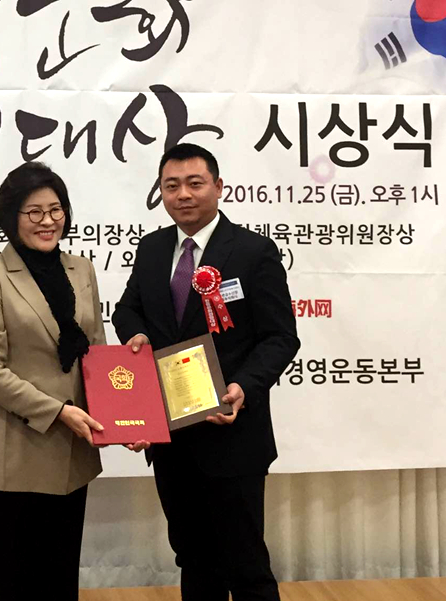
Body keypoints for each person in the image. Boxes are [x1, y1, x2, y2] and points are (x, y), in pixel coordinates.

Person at [112, 143, 300, 601]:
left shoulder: (254, 251)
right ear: (161, 192)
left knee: (246, 564)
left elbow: (280, 337)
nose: (183, 194)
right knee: (193, 558)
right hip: (171, 439)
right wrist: (137, 336)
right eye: (171, 185)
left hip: (232, 433)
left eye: (195, 183)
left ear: (218, 187)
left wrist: (244, 386)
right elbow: (126, 310)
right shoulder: (153, 248)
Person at [0, 161, 107, 600]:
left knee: (60, 579)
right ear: (11, 217)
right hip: (15, 452)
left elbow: (96, 354)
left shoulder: (81, 269)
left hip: (72, 454)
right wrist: (58, 411)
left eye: (56, 209)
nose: (48, 221)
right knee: (14, 582)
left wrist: (125, 419)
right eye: (34, 212)